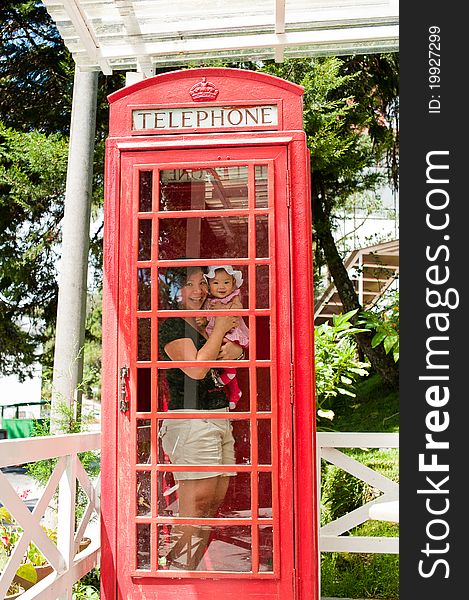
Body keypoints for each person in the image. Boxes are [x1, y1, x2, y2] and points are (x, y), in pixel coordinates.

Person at [158, 265, 244, 569]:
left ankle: (183, 567)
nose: (198, 291)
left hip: (219, 415)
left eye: (201, 283)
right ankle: (177, 574)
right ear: (174, 291)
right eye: (189, 285)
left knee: (212, 501)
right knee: (196, 503)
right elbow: (196, 369)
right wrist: (220, 330)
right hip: (190, 418)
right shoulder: (169, 325)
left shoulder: (203, 320)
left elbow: (230, 346)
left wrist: (236, 348)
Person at [197, 265, 249, 410]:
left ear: (233, 284)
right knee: (220, 362)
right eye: (216, 283)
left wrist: (224, 310)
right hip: (214, 335)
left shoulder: (234, 297)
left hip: (231, 334)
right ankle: (234, 391)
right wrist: (202, 320)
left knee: (228, 366)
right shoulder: (207, 301)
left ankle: (228, 388)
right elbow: (204, 318)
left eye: (226, 282)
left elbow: (237, 310)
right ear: (209, 286)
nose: (221, 287)